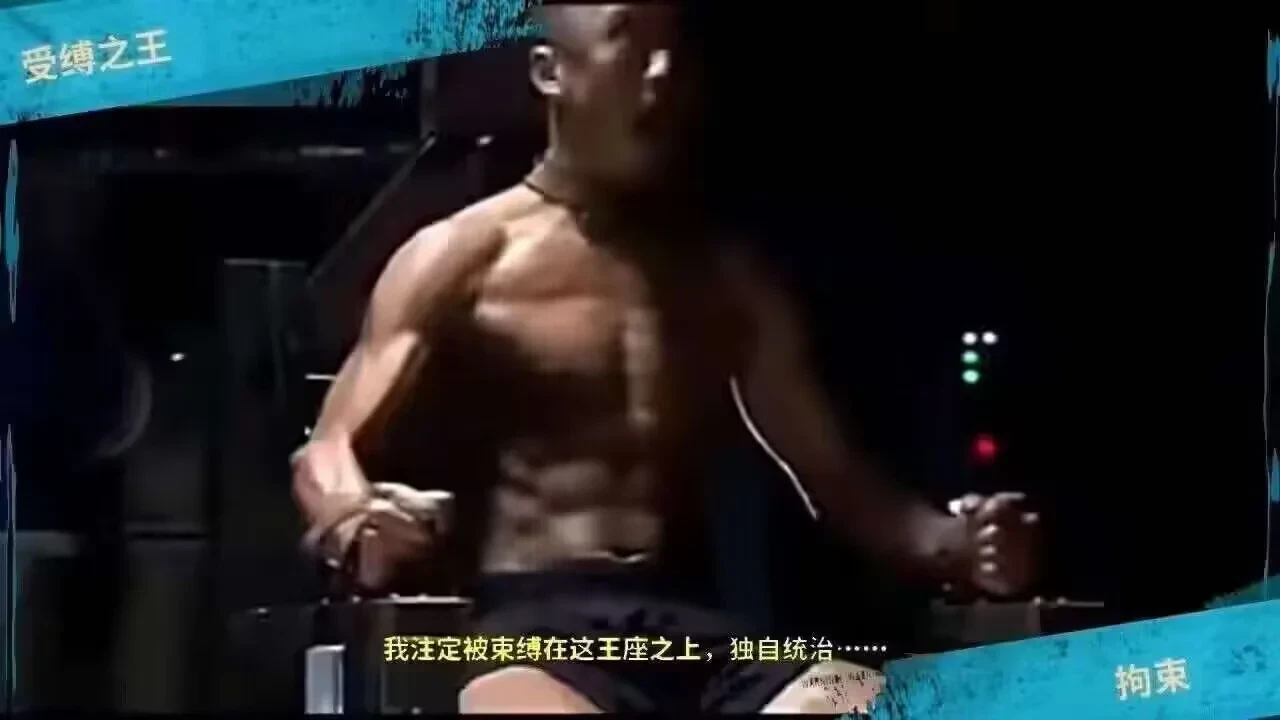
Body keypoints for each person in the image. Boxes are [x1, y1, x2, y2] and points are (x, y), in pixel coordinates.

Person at [291, 2, 1040, 713]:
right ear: (551, 71)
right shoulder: (462, 257)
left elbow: (837, 478)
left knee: (866, 700)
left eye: (670, 49)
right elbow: (328, 447)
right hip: (530, 629)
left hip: (695, 628)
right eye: (628, 43)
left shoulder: (720, 278)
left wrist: (953, 544)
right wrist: (357, 519)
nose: (660, 71)